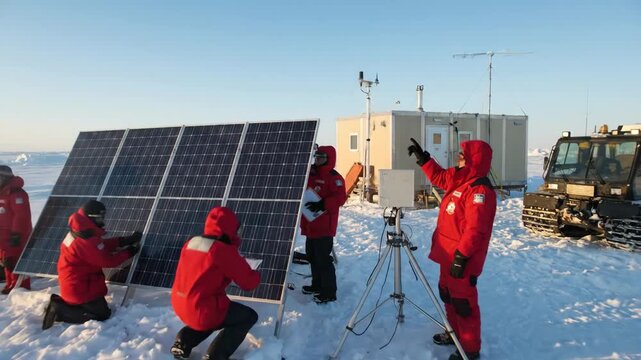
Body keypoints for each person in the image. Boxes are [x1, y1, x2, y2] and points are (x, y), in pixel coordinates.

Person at [408, 138, 497, 360]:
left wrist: (462, 256)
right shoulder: (460, 178)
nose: (458, 157)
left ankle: (469, 349)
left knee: (463, 303)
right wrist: (424, 159)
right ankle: (455, 334)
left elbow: (476, 229)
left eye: (462, 155)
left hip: (462, 258)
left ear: (473, 160)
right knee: (448, 296)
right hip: (448, 254)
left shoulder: (479, 190)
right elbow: (439, 177)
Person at [171, 206, 260, 360]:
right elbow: (249, 283)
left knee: (214, 314)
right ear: (231, 228)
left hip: (180, 304)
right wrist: (255, 273)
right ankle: (216, 356)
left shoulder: (191, 243)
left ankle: (183, 341)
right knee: (248, 316)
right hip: (203, 310)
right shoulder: (221, 250)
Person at [42, 199, 142, 330]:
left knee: (100, 308)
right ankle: (60, 310)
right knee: (103, 314)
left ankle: (65, 304)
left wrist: (123, 241)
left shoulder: (80, 231)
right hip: (79, 289)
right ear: (92, 218)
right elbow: (107, 260)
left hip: (75, 284)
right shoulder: (84, 241)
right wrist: (129, 252)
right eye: (100, 218)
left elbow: (100, 246)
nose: (103, 221)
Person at [300, 145, 347, 304]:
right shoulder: (311, 173)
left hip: (324, 226)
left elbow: (341, 198)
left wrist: (323, 204)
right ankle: (317, 285)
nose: (317, 159)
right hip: (310, 224)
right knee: (312, 257)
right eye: (316, 156)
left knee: (323, 259)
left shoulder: (335, 178)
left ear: (328, 159)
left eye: (321, 157)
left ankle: (328, 291)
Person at [0, 165, 32, 294]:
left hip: (16, 235)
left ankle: (21, 287)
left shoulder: (17, 193)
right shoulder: (3, 192)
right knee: (7, 261)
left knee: (16, 261)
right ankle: (10, 284)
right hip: (3, 235)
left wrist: (17, 234)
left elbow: (21, 215)